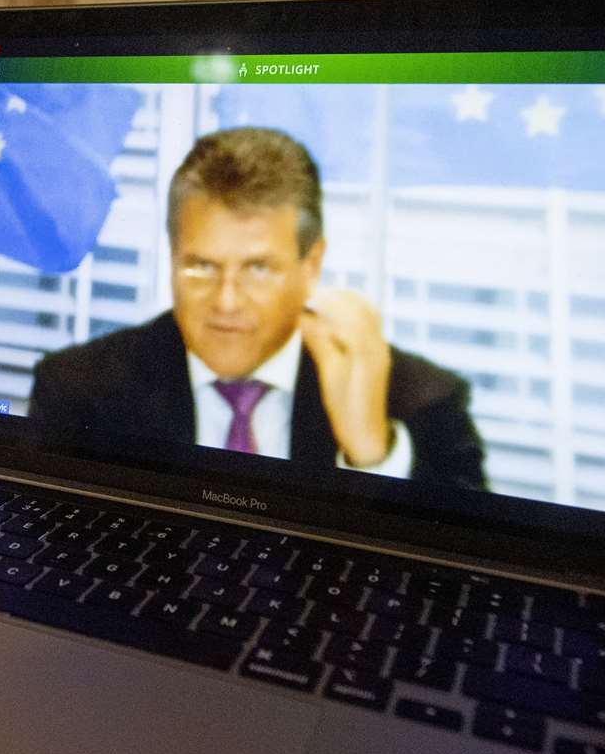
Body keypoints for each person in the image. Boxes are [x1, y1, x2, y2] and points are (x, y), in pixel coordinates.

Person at [29, 127, 486, 490]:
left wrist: (373, 455)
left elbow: (465, 584)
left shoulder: (423, 402)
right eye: (201, 266)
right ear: (171, 256)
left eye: (259, 268)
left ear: (312, 265)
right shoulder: (77, 390)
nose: (226, 301)